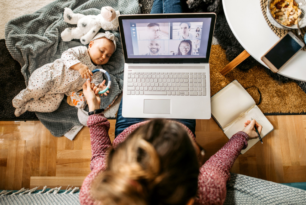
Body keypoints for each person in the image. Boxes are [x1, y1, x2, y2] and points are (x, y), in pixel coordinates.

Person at [79, 79, 262, 205]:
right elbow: (218, 166)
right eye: (198, 151)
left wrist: (94, 109)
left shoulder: (97, 191)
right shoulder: (207, 194)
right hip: (180, 122)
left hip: (130, 124)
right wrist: (242, 136)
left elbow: (100, 155)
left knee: (140, 78)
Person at [12, 32, 115, 117]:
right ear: (91, 45)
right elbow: (66, 55)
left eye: (108, 56)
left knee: (52, 106)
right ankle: (23, 97)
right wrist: (79, 66)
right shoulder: (82, 51)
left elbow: (93, 85)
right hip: (50, 76)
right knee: (38, 89)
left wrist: (99, 88)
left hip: (58, 92)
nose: (103, 56)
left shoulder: (98, 71)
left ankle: (27, 106)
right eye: (101, 51)